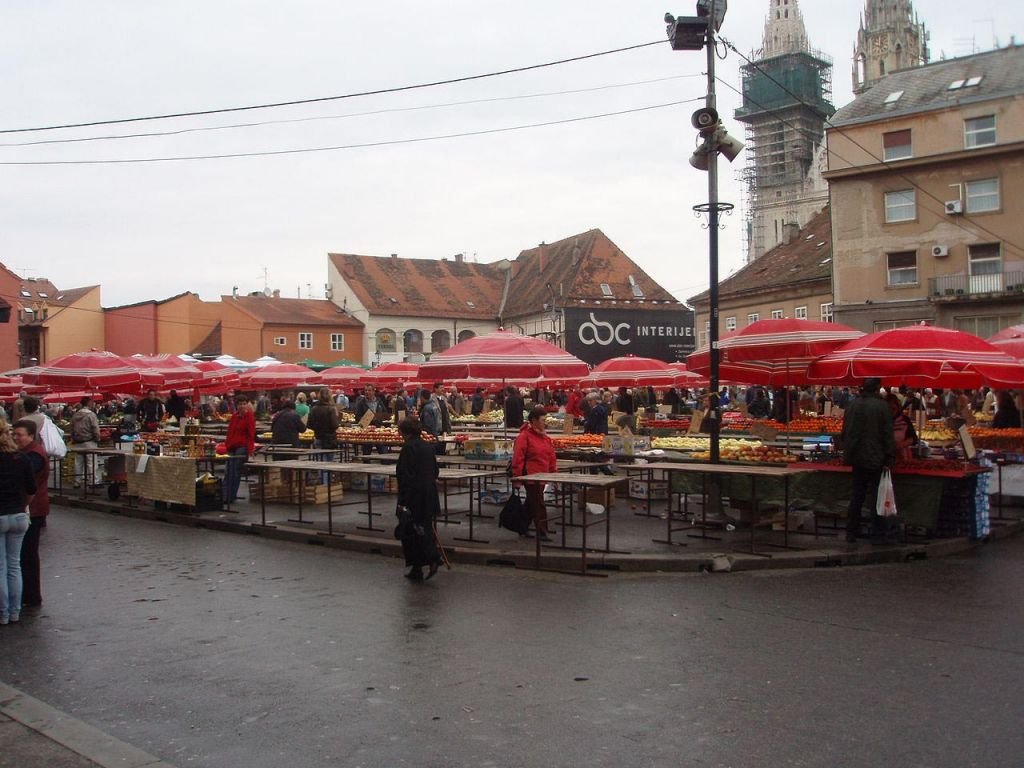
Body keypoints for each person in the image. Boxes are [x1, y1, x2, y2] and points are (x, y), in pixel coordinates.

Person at [840, 378, 897, 543]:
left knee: (857, 495)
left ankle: (851, 531)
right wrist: (890, 456)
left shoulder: (852, 406)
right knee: (876, 496)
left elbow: (844, 434)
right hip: (875, 458)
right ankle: (877, 534)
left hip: (856, 457)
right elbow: (887, 435)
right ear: (877, 388)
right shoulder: (882, 407)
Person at [395, 417, 442, 581]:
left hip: (413, 496)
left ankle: (431, 558)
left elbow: (405, 475)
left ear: (405, 432)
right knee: (425, 528)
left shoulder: (408, 448)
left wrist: (403, 501)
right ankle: (418, 567)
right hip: (429, 494)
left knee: (410, 531)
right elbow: (436, 471)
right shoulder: (428, 446)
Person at [0, 424, 35, 625]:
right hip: (19, 515)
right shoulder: (21, 458)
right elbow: (31, 487)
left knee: (1, 567)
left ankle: (3, 613)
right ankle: (15, 612)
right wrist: (22, 505)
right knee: (15, 565)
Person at [13, 420, 47, 611]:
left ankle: (32, 595)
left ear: (31, 435)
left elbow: (25, 479)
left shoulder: (34, 455)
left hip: (33, 508)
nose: (16, 438)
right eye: (14, 434)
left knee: (28, 554)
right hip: (31, 507)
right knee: (25, 554)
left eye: (20, 435)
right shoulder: (28, 453)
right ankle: (29, 594)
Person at [510, 405, 558, 540]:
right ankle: (542, 531)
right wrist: (517, 478)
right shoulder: (524, 437)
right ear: (534, 420)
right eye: (543, 419)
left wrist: (554, 474)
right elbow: (518, 458)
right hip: (530, 476)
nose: (545, 422)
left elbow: (551, 457)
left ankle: (522, 527)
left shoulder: (545, 438)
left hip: (542, 475)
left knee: (531, 503)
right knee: (538, 503)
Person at [222, 395, 256, 505]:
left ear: (247, 404)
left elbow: (251, 434)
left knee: (235, 471)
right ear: (237, 405)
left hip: (241, 447)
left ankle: (230, 496)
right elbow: (230, 431)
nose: (241, 406)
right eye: (240, 404)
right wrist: (227, 445)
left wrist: (251, 451)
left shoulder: (250, 416)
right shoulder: (235, 416)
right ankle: (225, 495)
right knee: (228, 471)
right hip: (232, 446)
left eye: (244, 403)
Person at [70, 397, 101, 488]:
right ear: (89, 403)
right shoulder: (91, 415)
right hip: (89, 441)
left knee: (78, 462)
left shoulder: (75, 415)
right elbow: (95, 428)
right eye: (92, 402)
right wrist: (98, 438)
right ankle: (93, 481)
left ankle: (77, 481)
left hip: (77, 441)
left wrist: (73, 437)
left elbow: (71, 427)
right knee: (91, 462)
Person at [886, 393, 919, 463]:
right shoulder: (881, 420)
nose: (891, 411)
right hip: (885, 458)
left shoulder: (904, 420)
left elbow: (914, 438)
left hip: (903, 457)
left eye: (893, 408)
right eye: (889, 408)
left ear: (898, 407)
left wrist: (902, 444)